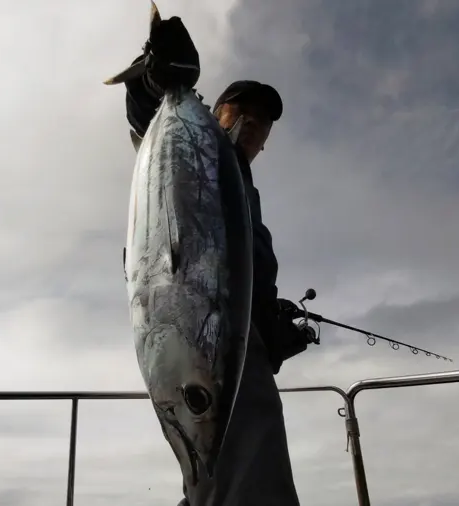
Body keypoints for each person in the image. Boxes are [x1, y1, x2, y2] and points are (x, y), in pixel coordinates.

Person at [116, 14, 312, 506]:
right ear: (218, 113)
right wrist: (154, 80)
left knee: (220, 478)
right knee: (248, 483)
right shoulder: (199, 151)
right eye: (242, 112)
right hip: (217, 351)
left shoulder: (244, 186)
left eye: (263, 122)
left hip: (238, 349)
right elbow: (144, 122)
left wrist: (268, 319)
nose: (253, 125)